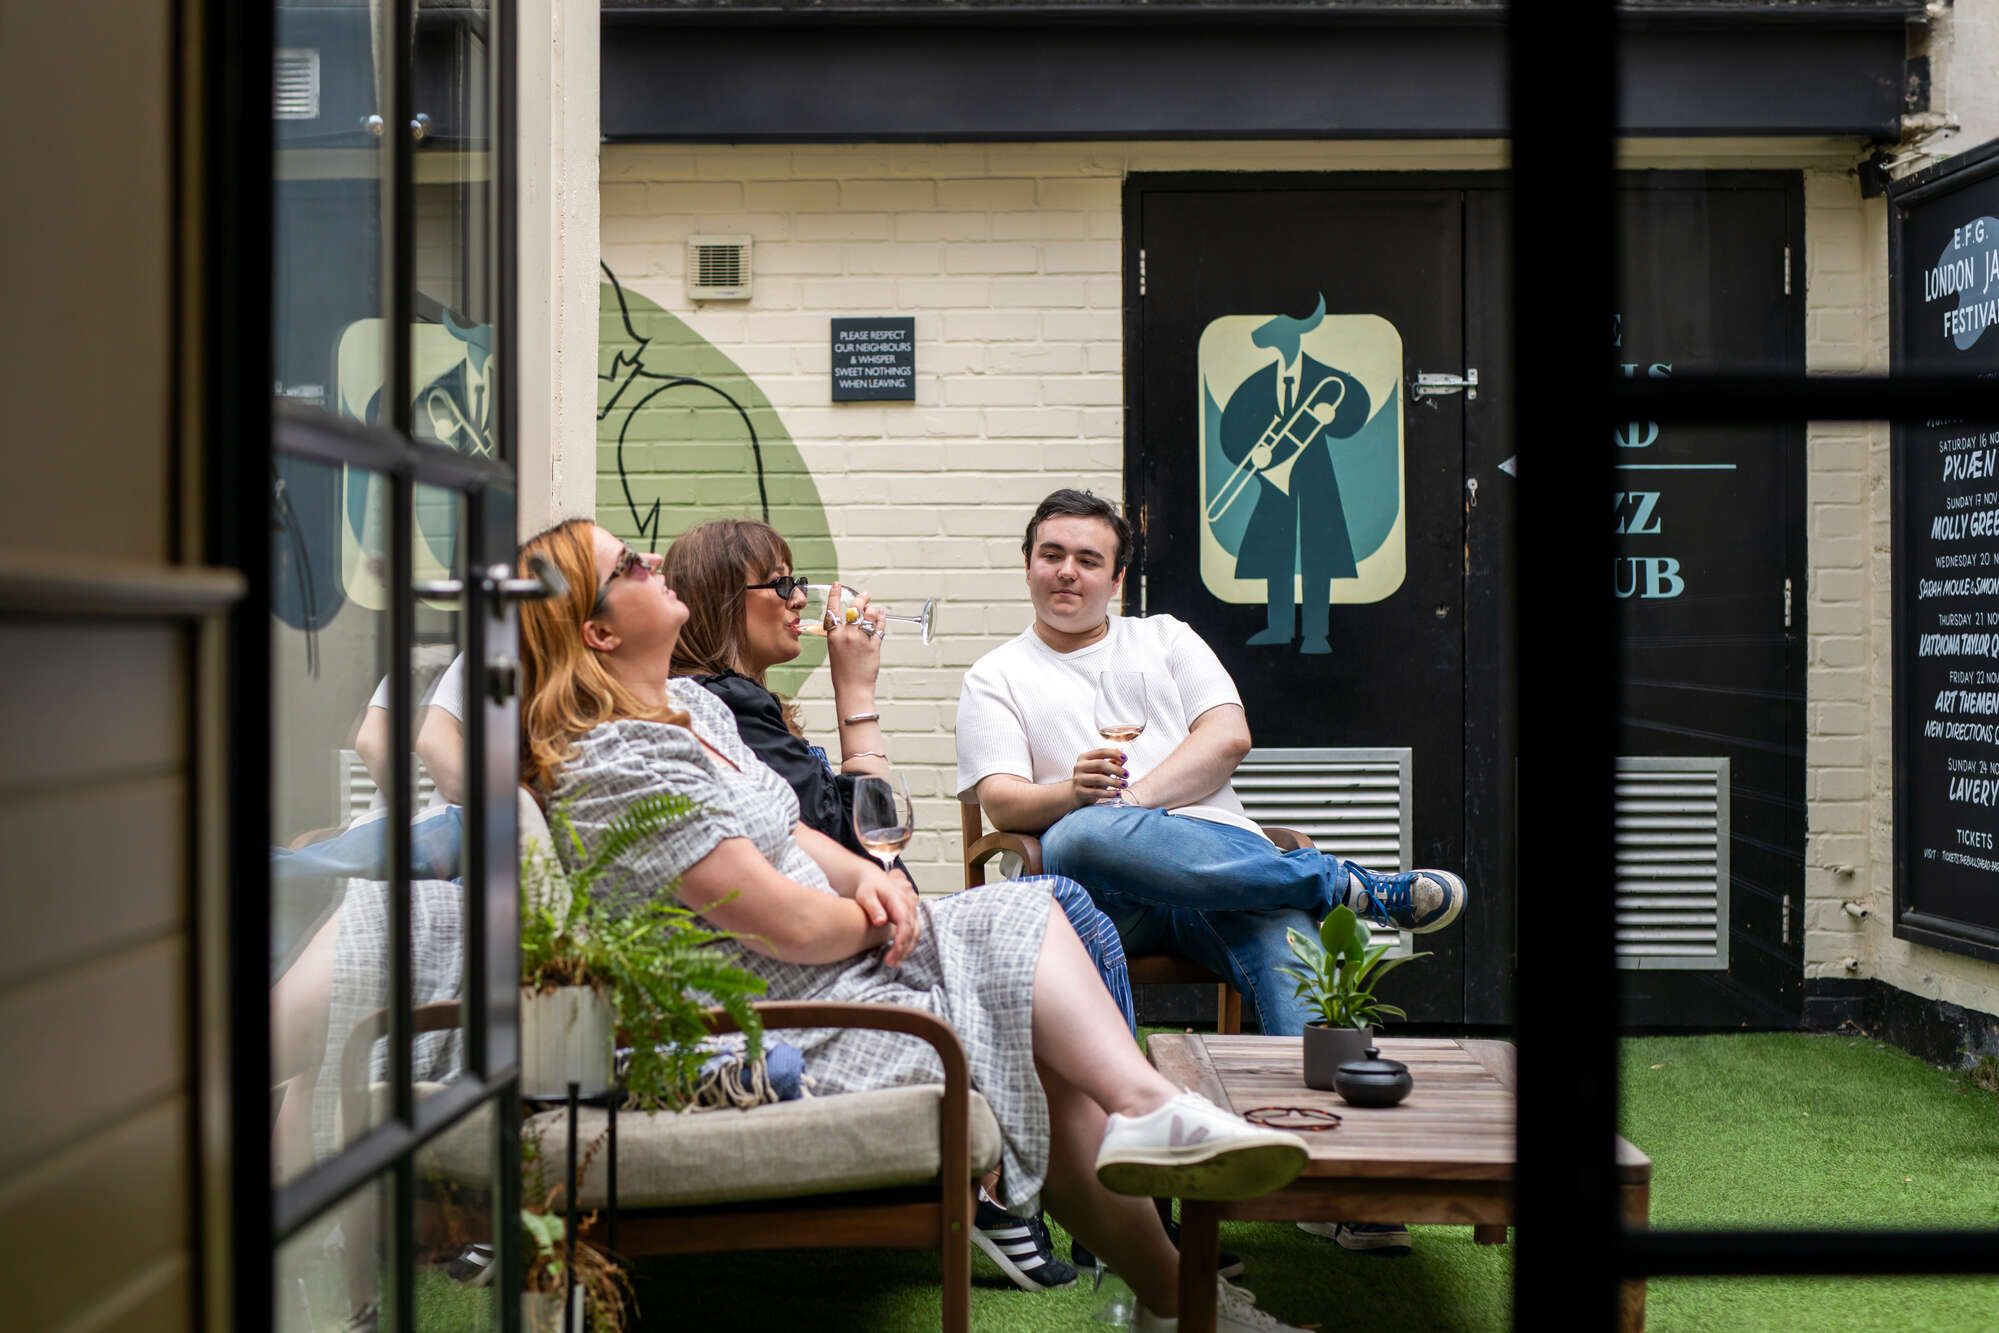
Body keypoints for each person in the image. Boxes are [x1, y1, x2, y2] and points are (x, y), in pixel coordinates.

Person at [519, 517, 1314, 1333]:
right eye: (628, 563)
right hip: (778, 1006)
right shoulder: (616, 761)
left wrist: (870, 879)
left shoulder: (688, 707)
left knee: (1033, 927)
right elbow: (784, 923)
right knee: (1036, 922)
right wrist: (877, 911)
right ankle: (1166, 1208)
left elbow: (793, 831)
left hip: (831, 963)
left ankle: (1173, 1265)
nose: (652, 559)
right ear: (598, 629)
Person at [955, 488, 1471, 1258]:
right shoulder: (995, 674)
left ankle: (1330, 1185)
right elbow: (1000, 797)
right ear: (1027, 564)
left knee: (1279, 930)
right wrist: (1078, 800)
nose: (1066, 572)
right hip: (1100, 899)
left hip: (1221, 878)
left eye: (1087, 559)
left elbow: (1226, 738)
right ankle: (1340, 883)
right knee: (1078, 839)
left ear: (1116, 577)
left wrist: (1129, 804)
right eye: (1050, 555)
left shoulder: (1164, 637)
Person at [663, 515, 1137, 1290]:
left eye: (796, 580)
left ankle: (1077, 1182)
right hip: (802, 969)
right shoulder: (721, 705)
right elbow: (866, 841)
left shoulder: (742, 703)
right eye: (779, 583)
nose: (800, 599)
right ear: (721, 601)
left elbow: (862, 844)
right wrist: (857, 692)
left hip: (841, 934)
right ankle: (1099, 1174)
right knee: (1061, 899)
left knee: (1058, 907)